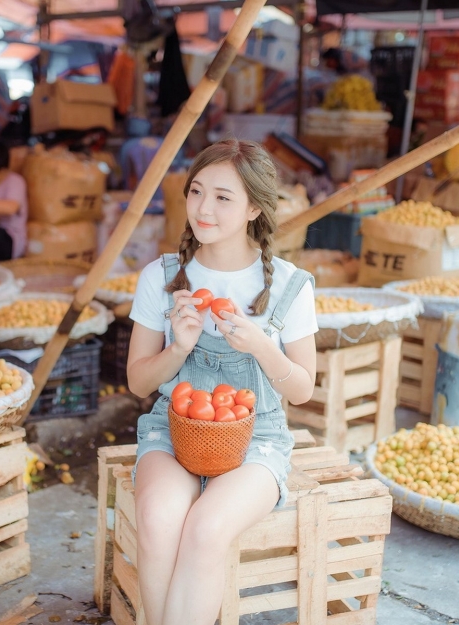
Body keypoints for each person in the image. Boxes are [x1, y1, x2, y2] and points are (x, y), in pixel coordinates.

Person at [126, 139, 318, 625]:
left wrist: (260, 345)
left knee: (207, 528)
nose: (203, 208)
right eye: (195, 191)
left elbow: (302, 390)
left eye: (223, 197)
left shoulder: (292, 285)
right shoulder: (162, 276)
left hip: (258, 441)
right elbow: (136, 381)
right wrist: (179, 347)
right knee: (157, 518)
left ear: (255, 206)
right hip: (173, 431)